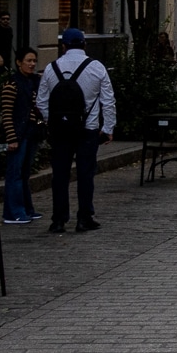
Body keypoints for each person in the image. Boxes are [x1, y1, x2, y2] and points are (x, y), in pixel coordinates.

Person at [36, 28, 117, 234]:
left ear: (63, 46)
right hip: (87, 130)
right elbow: (108, 101)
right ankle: (84, 217)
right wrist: (108, 127)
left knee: (60, 175)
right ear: (84, 45)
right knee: (85, 175)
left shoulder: (50, 68)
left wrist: (51, 121)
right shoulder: (96, 68)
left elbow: (41, 101)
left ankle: (59, 220)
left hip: (60, 131)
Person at [0, 47, 44, 225]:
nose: (32, 64)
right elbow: (7, 113)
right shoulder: (12, 84)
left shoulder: (34, 82)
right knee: (15, 173)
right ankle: (14, 212)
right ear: (19, 62)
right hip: (19, 133)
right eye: (29, 61)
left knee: (24, 173)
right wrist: (11, 138)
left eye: (34, 61)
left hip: (31, 131)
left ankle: (26, 208)